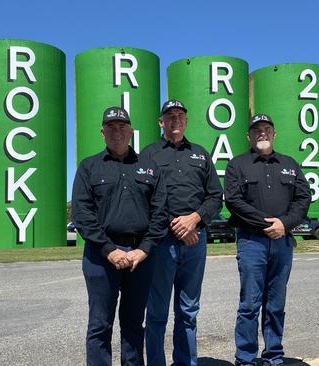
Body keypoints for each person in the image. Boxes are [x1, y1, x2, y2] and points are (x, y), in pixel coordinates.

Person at [72, 106, 168, 366]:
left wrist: (144, 249)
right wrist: (109, 250)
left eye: (122, 126)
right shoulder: (89, 167)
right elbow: (82, 213)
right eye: (111, 127)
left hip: (141, 255)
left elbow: (160, 212)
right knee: (100, 325)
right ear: (102, 132)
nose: (117, 132)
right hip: (101, 256)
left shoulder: (149, 167)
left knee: (134, 324)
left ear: (130, 131)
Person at [224, 113, 311, 366]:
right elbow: (234, 201)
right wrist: (267, 224)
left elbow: (303, 198)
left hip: (282, 242)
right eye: (256, 130)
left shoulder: (290, 164)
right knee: (249, 305)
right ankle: (246, 359)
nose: (262, 133)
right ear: (248, 136)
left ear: (274, 134)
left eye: (267, 129)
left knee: (275, 303)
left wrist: (284, 223)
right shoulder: (237, 165)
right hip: (252, 242)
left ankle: (274, 356)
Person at [141, 100, 223, 366]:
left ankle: (186, 362)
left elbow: (215, 196)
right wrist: (176, 224)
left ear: (186, 121)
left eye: (180, 115)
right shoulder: (149, 154)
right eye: (169, 115)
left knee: (188, 311)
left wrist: (195, 218)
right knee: (156, 312)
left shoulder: (200, 154)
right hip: (162, 243)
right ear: (160, 122)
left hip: (195, 242)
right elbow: (144, 196)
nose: (175, 119)